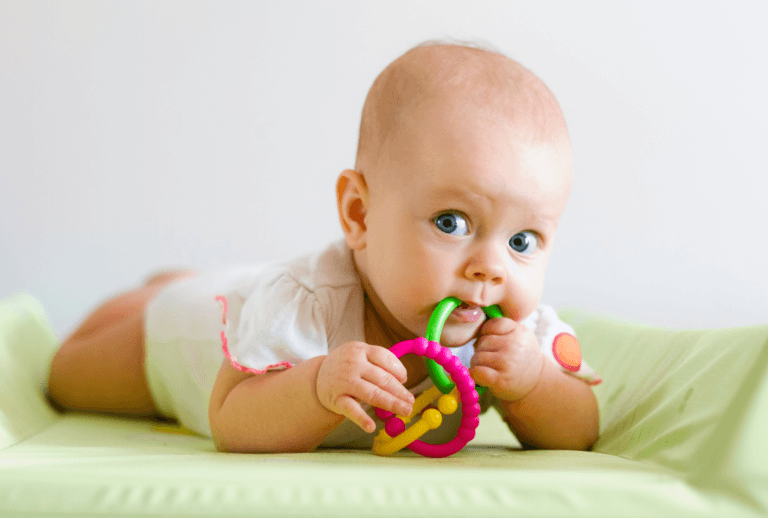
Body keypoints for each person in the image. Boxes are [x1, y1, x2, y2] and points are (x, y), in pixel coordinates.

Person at [47, 41, 601, 454]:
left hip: (254, 287)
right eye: (452, 222)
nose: (490, 267)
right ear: (359, 215)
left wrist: (533, 385)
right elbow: (229, 417)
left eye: (523, 241)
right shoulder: (305, 306)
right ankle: (163, 290)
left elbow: (581, 429)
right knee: (67, 376)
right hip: (191, 337)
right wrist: (314, 386)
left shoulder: (516, 339)